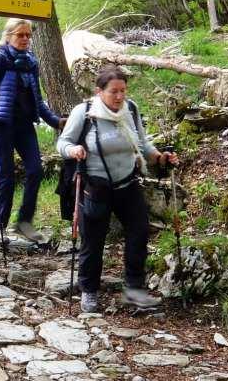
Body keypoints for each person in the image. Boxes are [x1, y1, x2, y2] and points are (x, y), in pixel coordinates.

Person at [57, 66, 178, 312]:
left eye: (123, 90)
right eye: (114, 91)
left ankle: (134, 290)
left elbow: (142, 143)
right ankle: (89, 291)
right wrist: (73, 150)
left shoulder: (130, 110)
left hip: (127, 183)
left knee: (139, 232)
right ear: (99, 91)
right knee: (93, 241)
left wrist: (160, 157)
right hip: (96, 187)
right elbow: (63, 142)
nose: (119, 96)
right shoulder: (85, 113)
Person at [0, 18, 66, 244]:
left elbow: (38, 100)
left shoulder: (31, 61)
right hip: (1, 125)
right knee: (5, 176)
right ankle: (0, 224)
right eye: (20, 35)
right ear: (8, 36)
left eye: (28, 35)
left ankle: (24, 220)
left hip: (24, 125)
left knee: (35, 170)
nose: (25, 39)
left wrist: (55, 121)